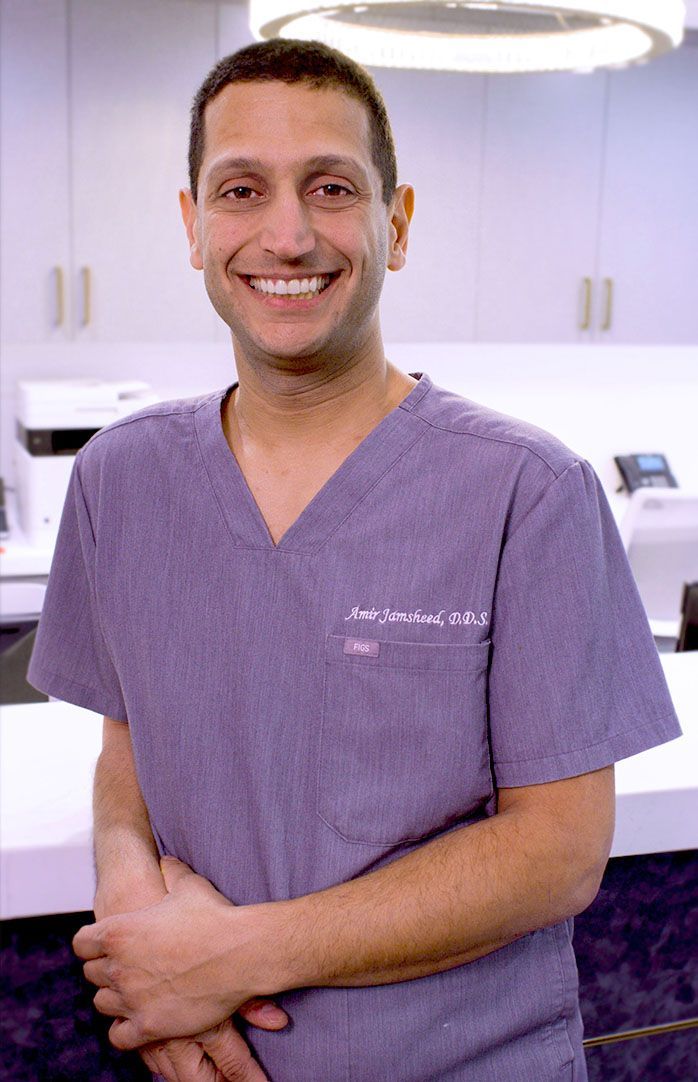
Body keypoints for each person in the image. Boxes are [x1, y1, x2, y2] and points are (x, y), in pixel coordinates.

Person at [28, 39, 681, 1082]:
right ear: (194, 227)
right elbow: (128, 745)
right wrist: (140, 920)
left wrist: (230, 957)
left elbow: (555, 852)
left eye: (330, 187)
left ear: (397, 222)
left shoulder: (526, 491)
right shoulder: (121, 481)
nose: (286, 233)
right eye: (240, 189)